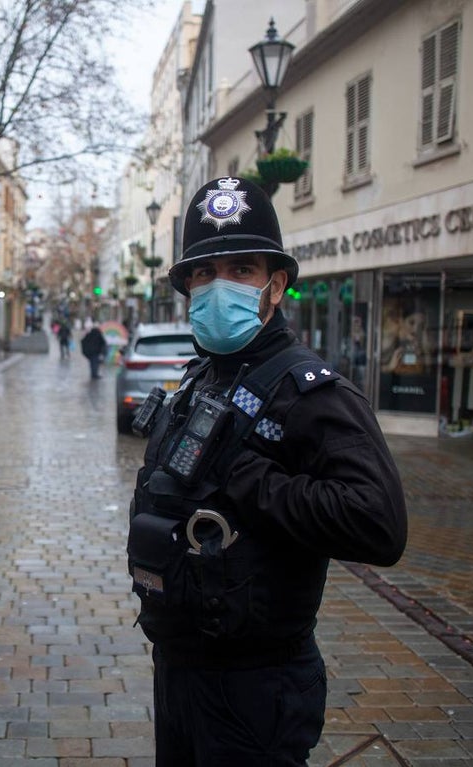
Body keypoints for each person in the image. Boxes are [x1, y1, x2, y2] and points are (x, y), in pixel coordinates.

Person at [126, 176, 407, 765]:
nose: (216, 285)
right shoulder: (203, 376)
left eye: (240, 269)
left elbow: (378, 522)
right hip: (178, 668)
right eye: (202, 273)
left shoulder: (311, 391)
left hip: (255, 686)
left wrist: (249, 478)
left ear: (275, 286)